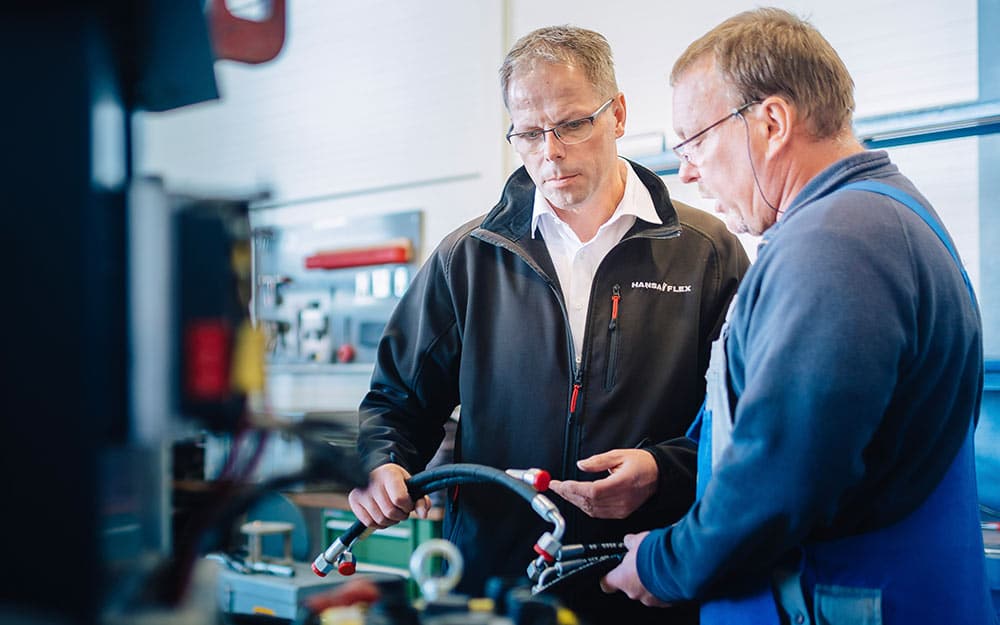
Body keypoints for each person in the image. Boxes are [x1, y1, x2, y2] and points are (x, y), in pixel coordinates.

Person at [600, 8, 995, 624]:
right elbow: (793, 422)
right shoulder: (877, 218)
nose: (689, 171)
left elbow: (781, 475)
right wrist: (664, 470)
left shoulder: (839, 243)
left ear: (772, 122)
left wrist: (662, 563)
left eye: (695, 141)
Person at [347, 25, 748, 623]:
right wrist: (382, 462)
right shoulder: (470, 257)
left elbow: (740, 420)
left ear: (617, 114)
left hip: (640, 579)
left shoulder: (704, 251)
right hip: (496, 585)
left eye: (571, 124)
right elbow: (396, 401)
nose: (550, 152)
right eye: (529, 133)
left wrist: (663, 472)